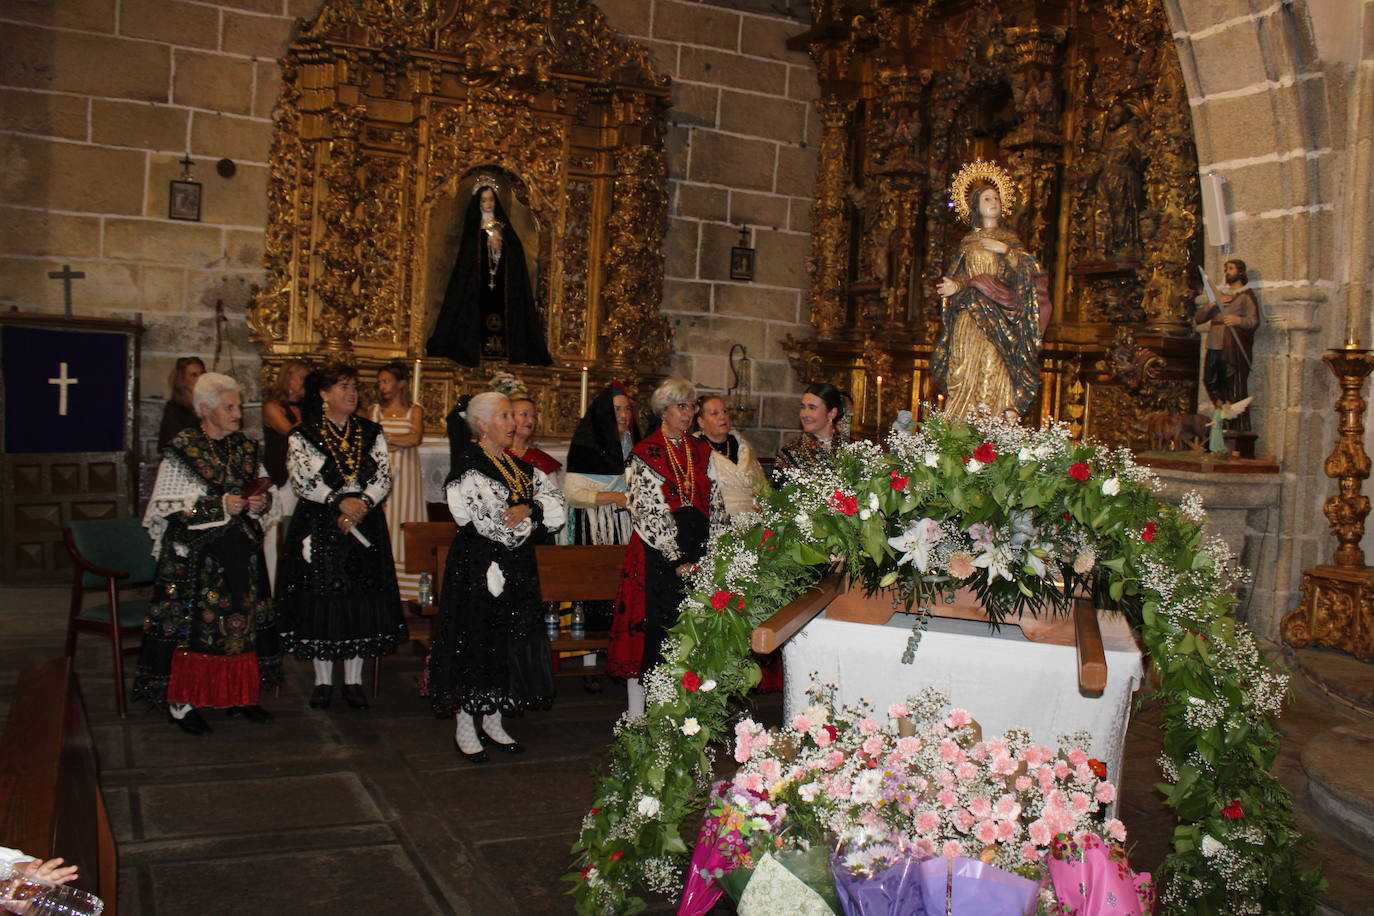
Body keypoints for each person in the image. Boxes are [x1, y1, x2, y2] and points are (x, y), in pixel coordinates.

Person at [133, 372, 279, 735]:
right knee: (195, 632)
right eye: (229, 407)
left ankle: (238, 695)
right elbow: (167, 506)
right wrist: (218, 506)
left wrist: (259, 503)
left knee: (241, 627)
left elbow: (266, 495)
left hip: (240, 554)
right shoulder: (184, 449)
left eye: (238, 406)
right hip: (197, 560)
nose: (237, 413)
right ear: (204, 408)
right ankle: (183, 703)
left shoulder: (245, 447)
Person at [426, 392, 565, 763]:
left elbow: (557, 508)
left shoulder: (518, 466)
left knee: (507, 640)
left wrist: (529, 509)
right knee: (475, 640)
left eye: (512, 416)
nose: (512, 423)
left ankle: (493, 719)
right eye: (504, 416)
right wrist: (531, 517)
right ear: (482, 424)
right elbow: (498, 526)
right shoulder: (470, 467)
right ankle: (465, 724)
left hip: (516, 567)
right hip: (479, 565)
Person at [276, 363, 407, 711]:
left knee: (359, 595)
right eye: (343, 387)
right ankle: (322, 681)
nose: (351, 393)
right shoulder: (303, 434)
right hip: (321, 521)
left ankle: (353, 680)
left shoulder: (370, 431)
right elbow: (303, 479)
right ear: (324, 394)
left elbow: (383, 475)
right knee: (323, 597)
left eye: (354, 386)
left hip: (364, 520)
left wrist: (362, 504)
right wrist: (338, 502)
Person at [608, 378, 724, 719]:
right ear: (663, 410)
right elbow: (644, 510)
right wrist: (675, 557)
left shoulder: (702, 450)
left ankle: (685, 710)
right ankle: (639, 715)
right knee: (652, 633)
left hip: (698, 545)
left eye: (691, 406)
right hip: (657, 551)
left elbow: (716, 502)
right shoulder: (644, 453)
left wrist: (717, 548)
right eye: (680, 406)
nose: (688, 413)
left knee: (694, 628)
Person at [931, 161, 1051, 420]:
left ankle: (991, 423)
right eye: (987, 198)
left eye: (996, 197)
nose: (993, 202)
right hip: (969, 312)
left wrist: (1005, 251)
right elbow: (963, 275)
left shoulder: (1010, 241)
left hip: (999, 313)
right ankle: (959, 423)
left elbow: (1030, 273)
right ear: (976, 206)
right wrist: (954, 286)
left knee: (991, 363)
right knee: (962, 365)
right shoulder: (968, 242)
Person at [426, 177, 552, 367]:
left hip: (501, 290)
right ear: (478, 203)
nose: (488, 204)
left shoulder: (504, 230)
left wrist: (501, 245)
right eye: (484, 200)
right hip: (477, 292)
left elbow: (515, 256)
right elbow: (465, 264)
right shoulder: (473, 231)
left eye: (491, 199)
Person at [369, 361, 427, 601]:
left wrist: (386, 439)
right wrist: (394, 440)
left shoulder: (415, 410)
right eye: (380, 382)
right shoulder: (375, 411)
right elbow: (371, 440)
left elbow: (415, 438)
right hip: (382, 473)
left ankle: (411, 588)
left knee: (406, 518)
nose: (382, 386)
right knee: (385, 520)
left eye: (387, 381)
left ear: (401, 383)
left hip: (407, 477)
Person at [564, 384, 639, 548]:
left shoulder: (633, 442)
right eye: (617, 409)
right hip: (595, 523)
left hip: (627, 523)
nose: (624, 415)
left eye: (627, 409)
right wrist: (615, 497)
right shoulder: (586, 445)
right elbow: (572, 495)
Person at [1195, 258, 1260, 430]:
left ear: (1240, 272)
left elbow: (1254, 321)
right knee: (1209, 380)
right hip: (1214, 343)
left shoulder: (1246, 296)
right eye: (1225, 269)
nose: (1227, 272)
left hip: (1231, 346)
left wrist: (1238, 320)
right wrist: (1212, 305)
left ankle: (1234, 423)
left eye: (1230, 269)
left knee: (1231, 383)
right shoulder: (1220, 296)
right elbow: (1199, 318)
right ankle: (1222, 409)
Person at [262, 359, 309, 595]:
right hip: (281, 479)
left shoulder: (305, 408)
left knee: (298, 535)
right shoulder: (272, 407)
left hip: (302, 479)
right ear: (288, 378)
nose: (305, 383)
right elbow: (291, 433)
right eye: (302, 378)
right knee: (276, 535)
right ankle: (272, 591)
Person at [695, 395, 767, 517]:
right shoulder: (695, 450)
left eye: (725, 411)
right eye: (714, 413)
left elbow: (762, 486)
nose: (722, 417)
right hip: (717, 520)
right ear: (701, 422)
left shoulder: (744, 447)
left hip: (755, 519)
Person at [773, 383, 847, 483]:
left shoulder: (850, 450)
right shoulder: (789, 454)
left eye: (812, 408)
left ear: (831, 413)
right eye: (803, 407)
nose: (804, 414)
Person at [157, 356, 205, 452]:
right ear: (182, 380)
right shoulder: (174, 409)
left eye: (202, 374)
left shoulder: (208, 405)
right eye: (194, 375)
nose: (200, 379)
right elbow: (171, 442)